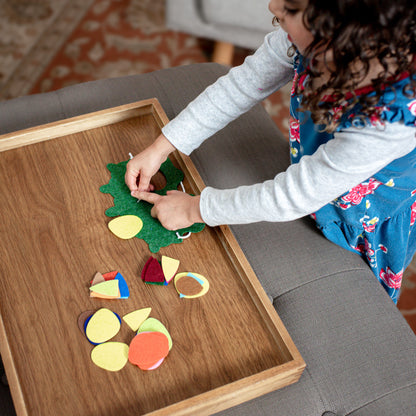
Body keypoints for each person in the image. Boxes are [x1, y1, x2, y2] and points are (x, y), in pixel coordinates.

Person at [125, 0, 416, 303]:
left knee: (361, 299)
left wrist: (192, 209)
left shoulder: (390, 121)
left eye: (290, 8)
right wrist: (164, 145)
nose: (272, 6)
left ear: (342, 36)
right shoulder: (308, 37)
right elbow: (243, 85)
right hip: (319, 172)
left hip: (364, 213)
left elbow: (295, 195)